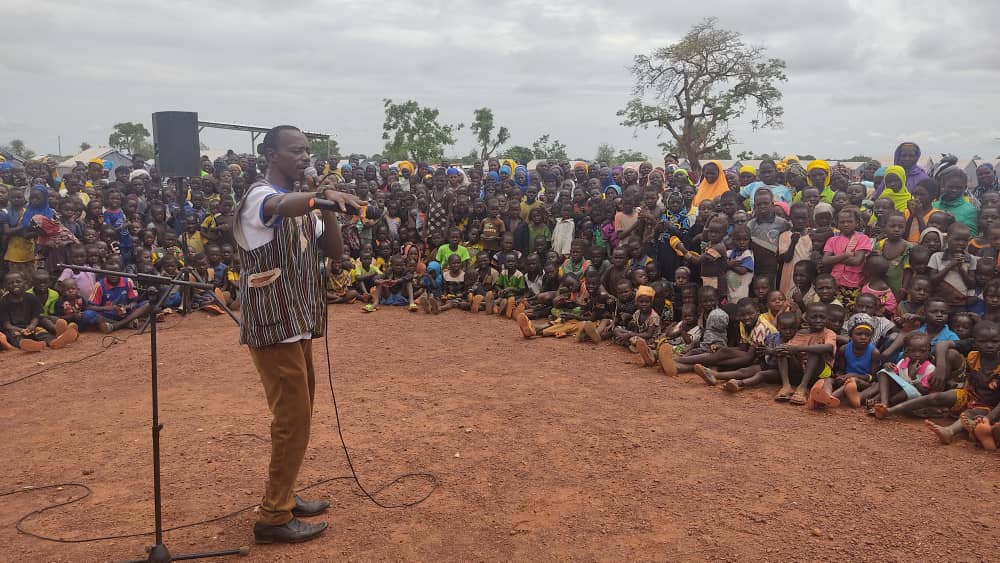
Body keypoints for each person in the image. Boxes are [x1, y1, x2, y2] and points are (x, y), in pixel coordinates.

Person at [233, 125, 362, 544]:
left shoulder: (305, 203)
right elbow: (277, 204)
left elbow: (336, 253)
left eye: (307, 150)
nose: (304, 156)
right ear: (270, 153)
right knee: (291, 419)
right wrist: (316, 197)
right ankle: (273, 516)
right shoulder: (259, 195)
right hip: (274, 325)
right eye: (295, 151)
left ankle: (285, 496)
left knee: (300, 414)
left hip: (298, 321)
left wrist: (325, 204)